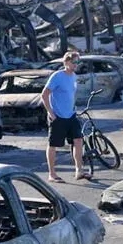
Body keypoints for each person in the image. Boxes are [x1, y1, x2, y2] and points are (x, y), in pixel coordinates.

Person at [42, 51, 91, 183]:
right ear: (66, 62)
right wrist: (51, 113)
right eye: (73, 62)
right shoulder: (57, 76)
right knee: (53, 145)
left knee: (78, 140)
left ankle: (79, 170)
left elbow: (71, 94)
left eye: (77, 62)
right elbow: (44, 95)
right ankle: (52, 174)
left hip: (71, 115)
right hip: (58, 116)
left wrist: (74, 107)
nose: (76, 65)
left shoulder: (74, 76)